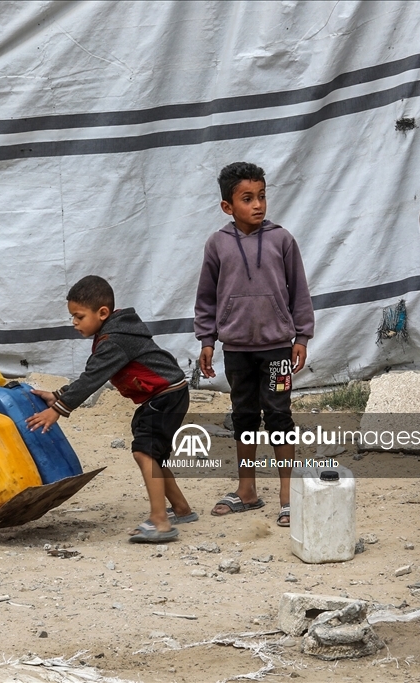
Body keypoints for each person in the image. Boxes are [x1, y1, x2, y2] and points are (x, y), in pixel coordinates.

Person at [25, 275, 194, 543]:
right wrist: (58, 394)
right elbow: (94, 373)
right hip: (165, 395)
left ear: (102, 313)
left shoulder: (115, 339)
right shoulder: (114, 334)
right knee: (154, 454)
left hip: (165, 396)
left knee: (144, 452)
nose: (74, 323)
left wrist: (57, 408)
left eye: (79, 316)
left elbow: (92, 378)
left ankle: (160, 522)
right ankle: (182, 509)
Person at [193, 162, 314, 527]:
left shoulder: (282, 239)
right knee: (244, 415)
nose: (258, 205)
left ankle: (287, 496)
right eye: (247, 199)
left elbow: (300, 292)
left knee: (279, 414)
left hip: (277, 347)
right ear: (227, 206)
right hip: (237, 351)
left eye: (262, 196)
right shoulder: (217, 244)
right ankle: (247, 490)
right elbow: (207, 297)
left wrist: (302, 335)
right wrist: (207, 339)